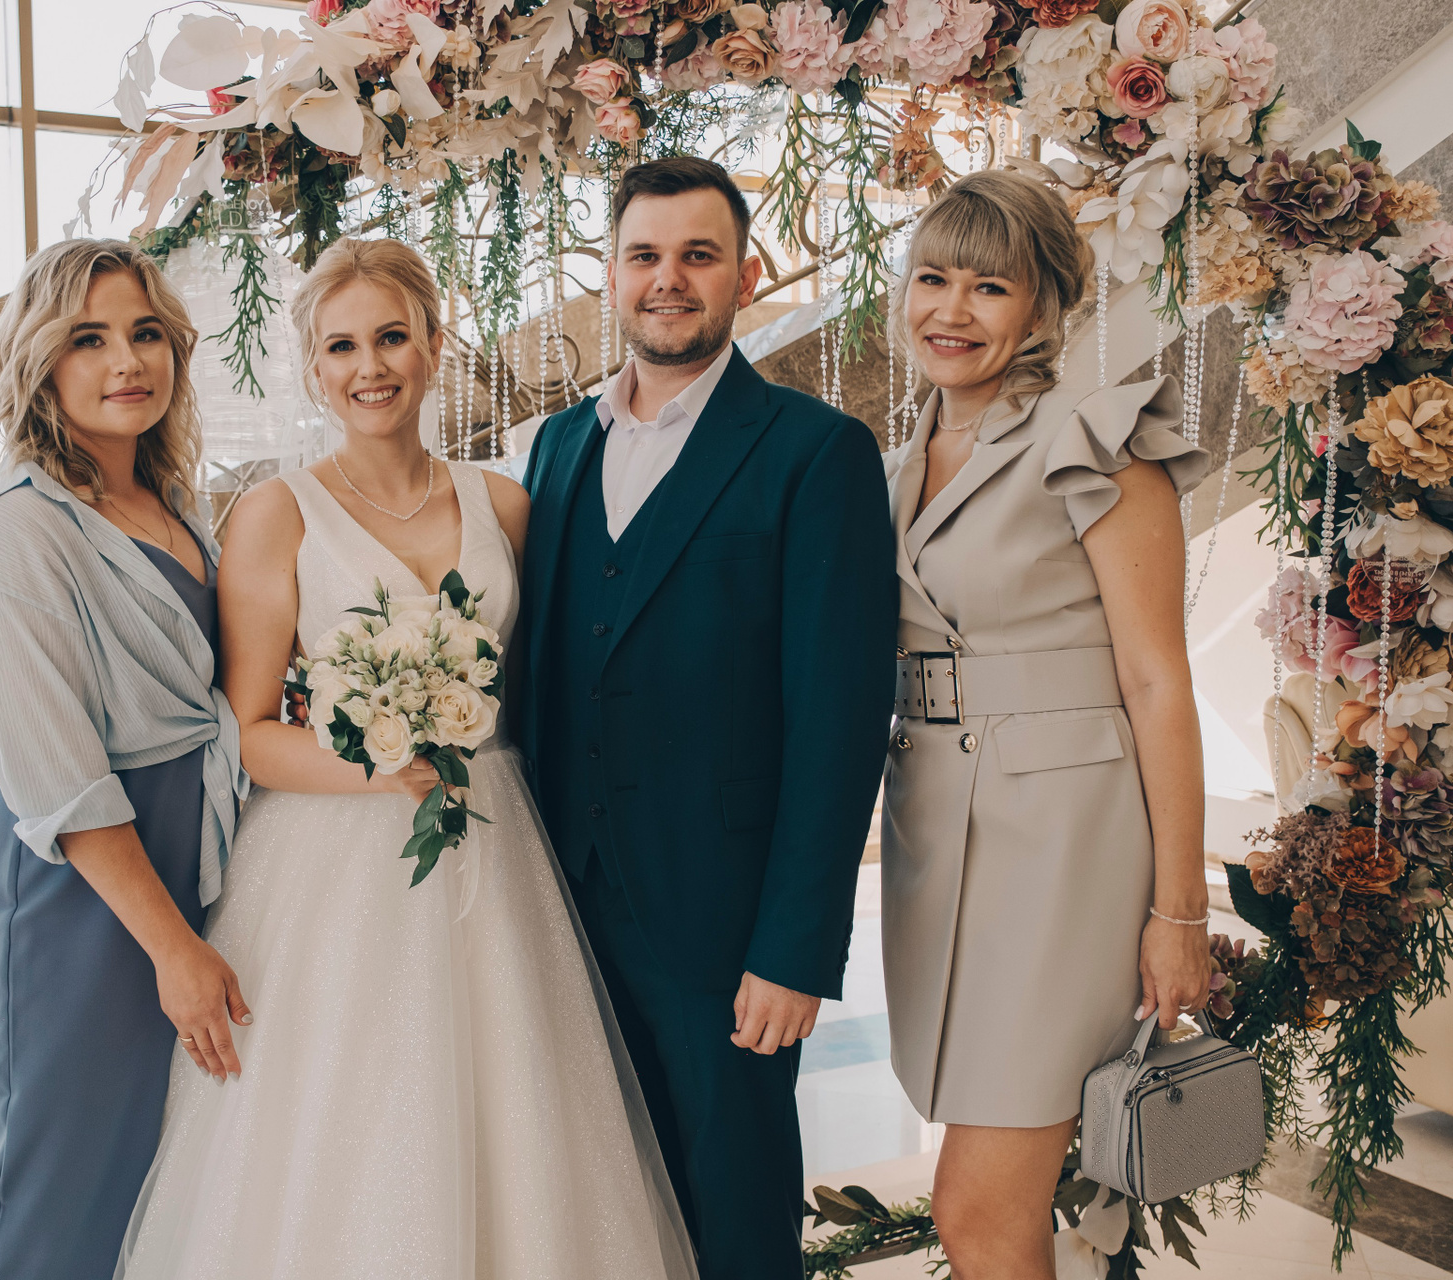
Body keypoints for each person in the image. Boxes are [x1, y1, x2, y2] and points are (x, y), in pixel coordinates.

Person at [112, 236, 698, 1280]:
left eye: (391, 337)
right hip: (337, 857)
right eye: (341, 347)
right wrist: (379, 768)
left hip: (495, 846)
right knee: (353, 1129)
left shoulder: (505, 504)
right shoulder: (276, 513)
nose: (370, 366)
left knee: (519, 1118)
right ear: (312, 368)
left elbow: (552, 690)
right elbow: (248, 730)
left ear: (433, 344)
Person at [517, 156, 899, 1280]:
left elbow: (839, 719)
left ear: (747, 273)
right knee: (599, 1212)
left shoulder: (815, 451)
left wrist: (795, 948)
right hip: (563, 908)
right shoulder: (556, 446)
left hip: (725, 929)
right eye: (644, 255)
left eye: (698, 255)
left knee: (735, 1221)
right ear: (610, 275)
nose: (668, 279)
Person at [878, 168, 1214, 1280]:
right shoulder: (890, 463)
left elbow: (1158, 682)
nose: (951, 310)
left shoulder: (1096, 438)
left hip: (1067, 845)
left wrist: (1179, 911)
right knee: (987, 1205)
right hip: (936, 832)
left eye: (989, 287)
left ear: (1042, 307)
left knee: (978, 1209)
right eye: (933, 279)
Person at [0, 239, 249, 1280]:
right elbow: (58, 772)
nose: (127, 360)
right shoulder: (19, 524)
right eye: (89, 338)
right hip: (75, 890)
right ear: (39, 360)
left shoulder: (173, 502)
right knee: (46, 1196)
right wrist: (172, 948)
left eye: (145, 332)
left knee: (145, 1188)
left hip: (180, 854)